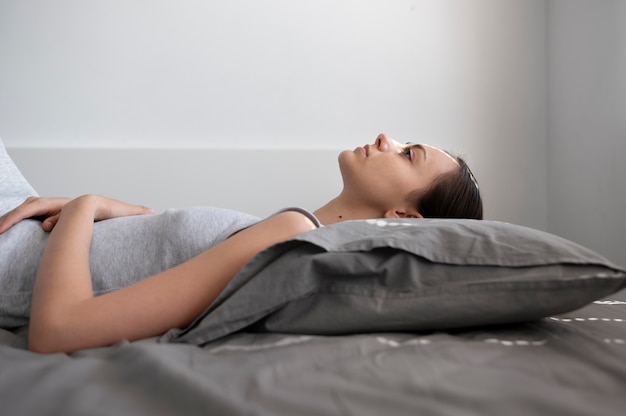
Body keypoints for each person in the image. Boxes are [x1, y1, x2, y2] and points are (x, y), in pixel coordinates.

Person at [0, 133, 482, 353]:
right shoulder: (291, 227)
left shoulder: (294, 234)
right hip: (21, 215)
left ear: (402, 216)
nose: (385, 138)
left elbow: (59, 330)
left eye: (407, 154)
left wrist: (84, 206)